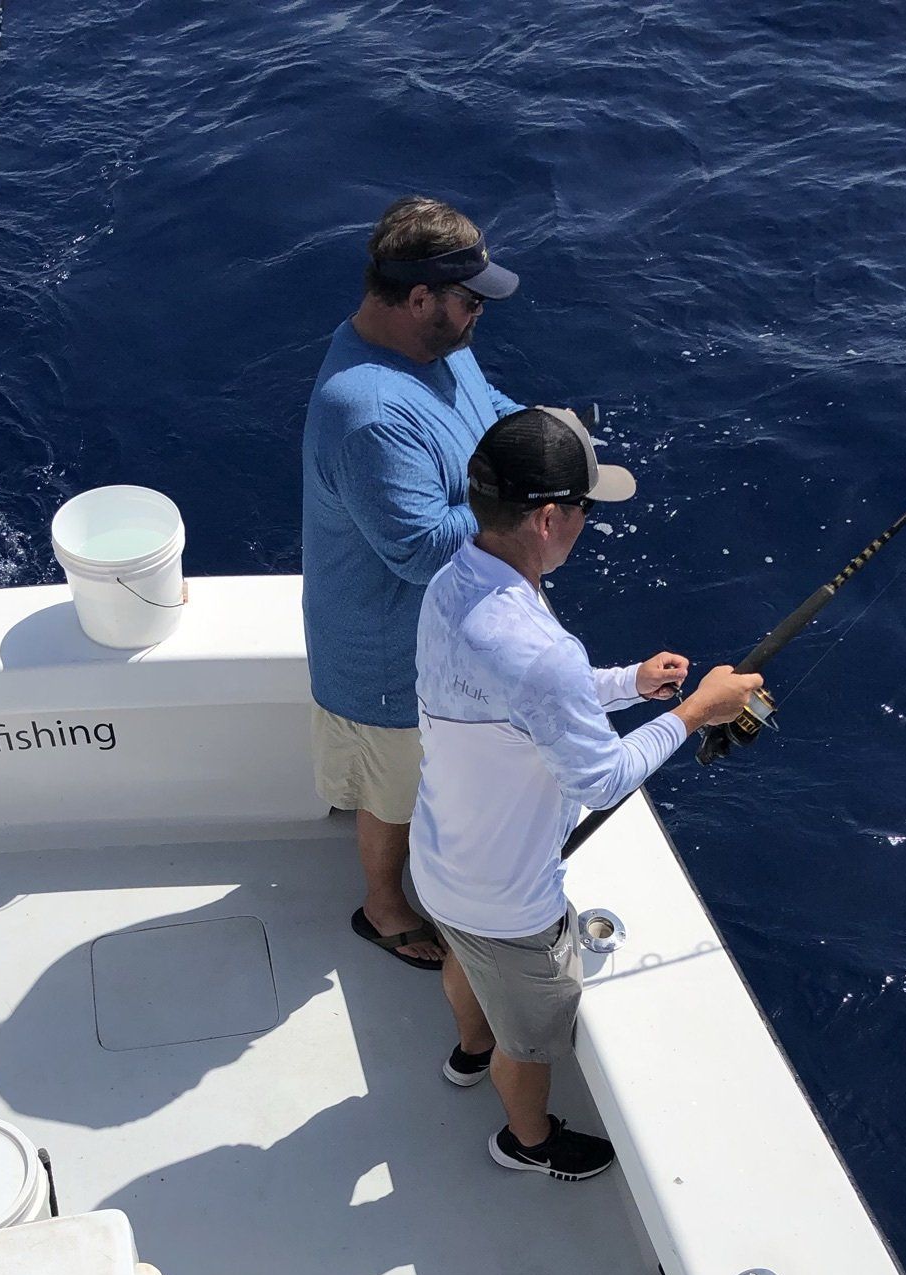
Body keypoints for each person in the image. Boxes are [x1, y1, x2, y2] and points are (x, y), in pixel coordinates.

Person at [408, 407, 761, 1183]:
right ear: (547, 518)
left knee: (465, 963)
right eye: (584, 508)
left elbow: (517, 695)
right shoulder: (539, 651)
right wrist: (692, 712)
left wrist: (628, 685)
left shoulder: (453, 582)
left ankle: (468, 1052)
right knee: (529, 1043)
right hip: (509, 902)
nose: (585, 523)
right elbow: (598, 779)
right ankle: (526, 1141)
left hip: (438, 861)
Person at [303, 196, 523, 969]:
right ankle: (383, 907)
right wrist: (527, 498)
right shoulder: (365, 412)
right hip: (390, 660)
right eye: (469, 301)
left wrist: (543, 436)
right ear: (419, 298)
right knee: (391, 793)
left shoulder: (441, 346)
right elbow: (422, 550)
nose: (478, 316)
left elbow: (487, 409)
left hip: (443, 638)